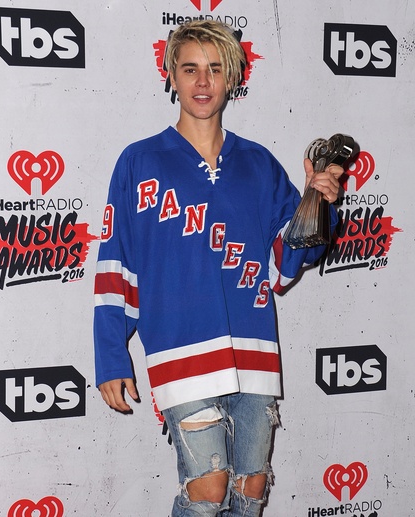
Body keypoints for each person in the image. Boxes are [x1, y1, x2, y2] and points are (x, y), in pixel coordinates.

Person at [94, 20, 344, 516]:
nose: (203, 81)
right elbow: (116, 265)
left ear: (232, 77)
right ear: (171, 75)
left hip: (254, 351)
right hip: (180, 350)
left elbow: (286, 262)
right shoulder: (138, 161)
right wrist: (111, 356)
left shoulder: (259, 163)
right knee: (207, 491)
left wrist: (318, 202)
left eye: (214, 68)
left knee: (250, 491)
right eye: (190, 69)